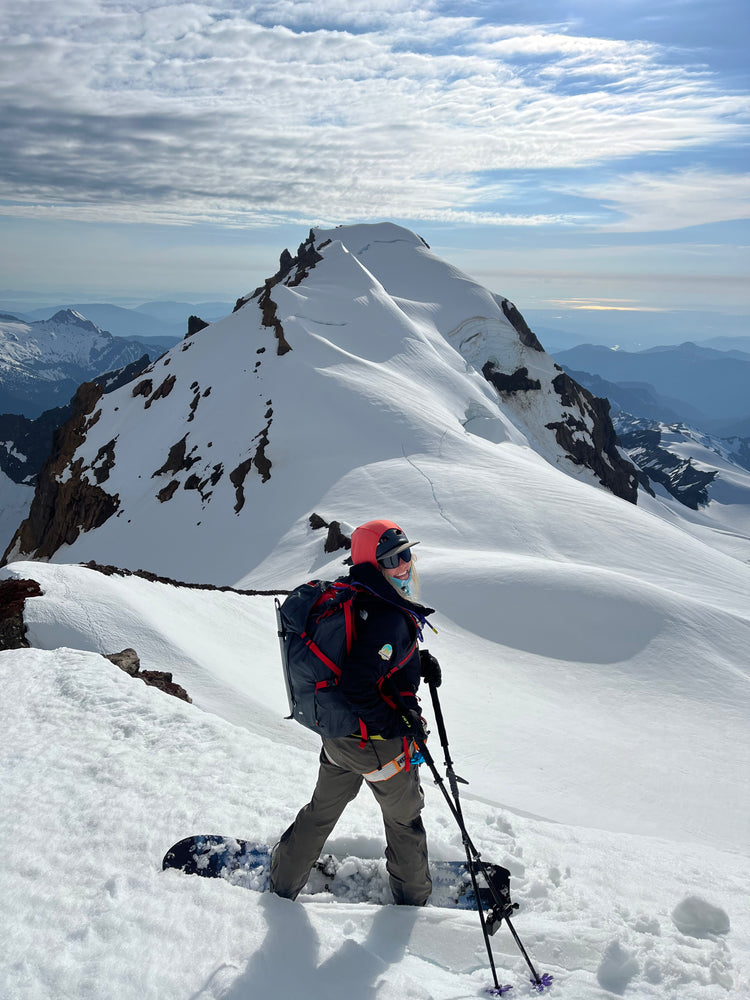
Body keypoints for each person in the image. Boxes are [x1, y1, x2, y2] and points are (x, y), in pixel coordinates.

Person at [270, 518, 442, 906]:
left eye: (406, 554)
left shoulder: (355, 593)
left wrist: (416, 660)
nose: (403, 566)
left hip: (337, 739)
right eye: (391, 559)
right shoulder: (391, 617)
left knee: (320, 813)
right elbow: (359, 681)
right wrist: (397, 722)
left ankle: (283, 881)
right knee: (404, 822)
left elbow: (362, 652)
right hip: (379, 747)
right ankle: (413, 897)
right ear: (372, 564)